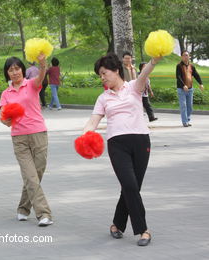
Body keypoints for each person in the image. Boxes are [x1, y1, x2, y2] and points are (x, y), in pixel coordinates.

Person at [83, 53, 162, 246]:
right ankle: (143, 230)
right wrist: (84, 136)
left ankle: (117, 224)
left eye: (104, 73)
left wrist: (153, 61)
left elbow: (144, 75)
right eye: (99, 75)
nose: (102, 77)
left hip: (141, 141)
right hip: (117, 144)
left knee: (131, 187)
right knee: (130, 185)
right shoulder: (103, 98)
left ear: (116, 70)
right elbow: (93, 121)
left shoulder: (134, 87)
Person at [0, 54, 53, 227]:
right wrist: (5, 121)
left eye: (17, 68)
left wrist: (43, 64)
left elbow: (42, 76)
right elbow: (4, 117)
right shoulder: (6, 94)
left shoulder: (31, 84)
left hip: (38, 133)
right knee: (30, 176)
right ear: (7, 74)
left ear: (22, 69)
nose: (14, 72)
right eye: (10, 70)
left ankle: (23, 208)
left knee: (36, 174)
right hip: (19, 138)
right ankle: (44, 213)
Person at [176, 50, 204, 127]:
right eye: (184, 55)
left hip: (190, 89)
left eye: (187, 55)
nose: (186, 56)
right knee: (183, 105)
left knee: (190, 106)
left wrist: (200, 83)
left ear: (189, 56)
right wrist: (183, 85)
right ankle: (185, 122)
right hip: (181, 89)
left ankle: (187, 120)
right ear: (181, 57)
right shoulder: (179, 66)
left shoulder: (192, 66)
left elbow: (196, 75)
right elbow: (178, 77)